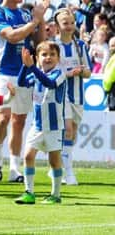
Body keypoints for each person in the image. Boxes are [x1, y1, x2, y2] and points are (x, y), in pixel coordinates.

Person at [0, 0, 48, 184]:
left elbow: (40, 42)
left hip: (24, 72)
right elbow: (12, 36)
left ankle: (14, 167)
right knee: (3, 117)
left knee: (19, 121)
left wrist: (42, 19)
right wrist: (35, 20)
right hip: (4, 72)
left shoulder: (24, 13)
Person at [15, 43, 67, 205]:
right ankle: (29, 192)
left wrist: (33, 68)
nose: (48, 57)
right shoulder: (36, 73)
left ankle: (55, 194)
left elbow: (49, 83)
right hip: (37, 126)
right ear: (37, 58)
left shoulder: (60, 74)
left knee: (54, 161)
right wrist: (25, 66)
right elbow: (21, 82)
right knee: (28, 156)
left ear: (58, 58)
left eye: (52, 54)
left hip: (54, 127)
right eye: (44, 54)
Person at [53, 9, 91, 185]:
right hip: (60, 95)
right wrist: (69, 73)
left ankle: (59, 163)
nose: (69, 26)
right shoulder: (52, 46)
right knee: (67, 129)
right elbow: (49, 72)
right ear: (57, 26)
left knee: (72, 131)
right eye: (65, 23)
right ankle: (67, 172)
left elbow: (88, 73)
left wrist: (81, 71)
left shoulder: (80, 46)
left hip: (77, 96)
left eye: (71, 23)